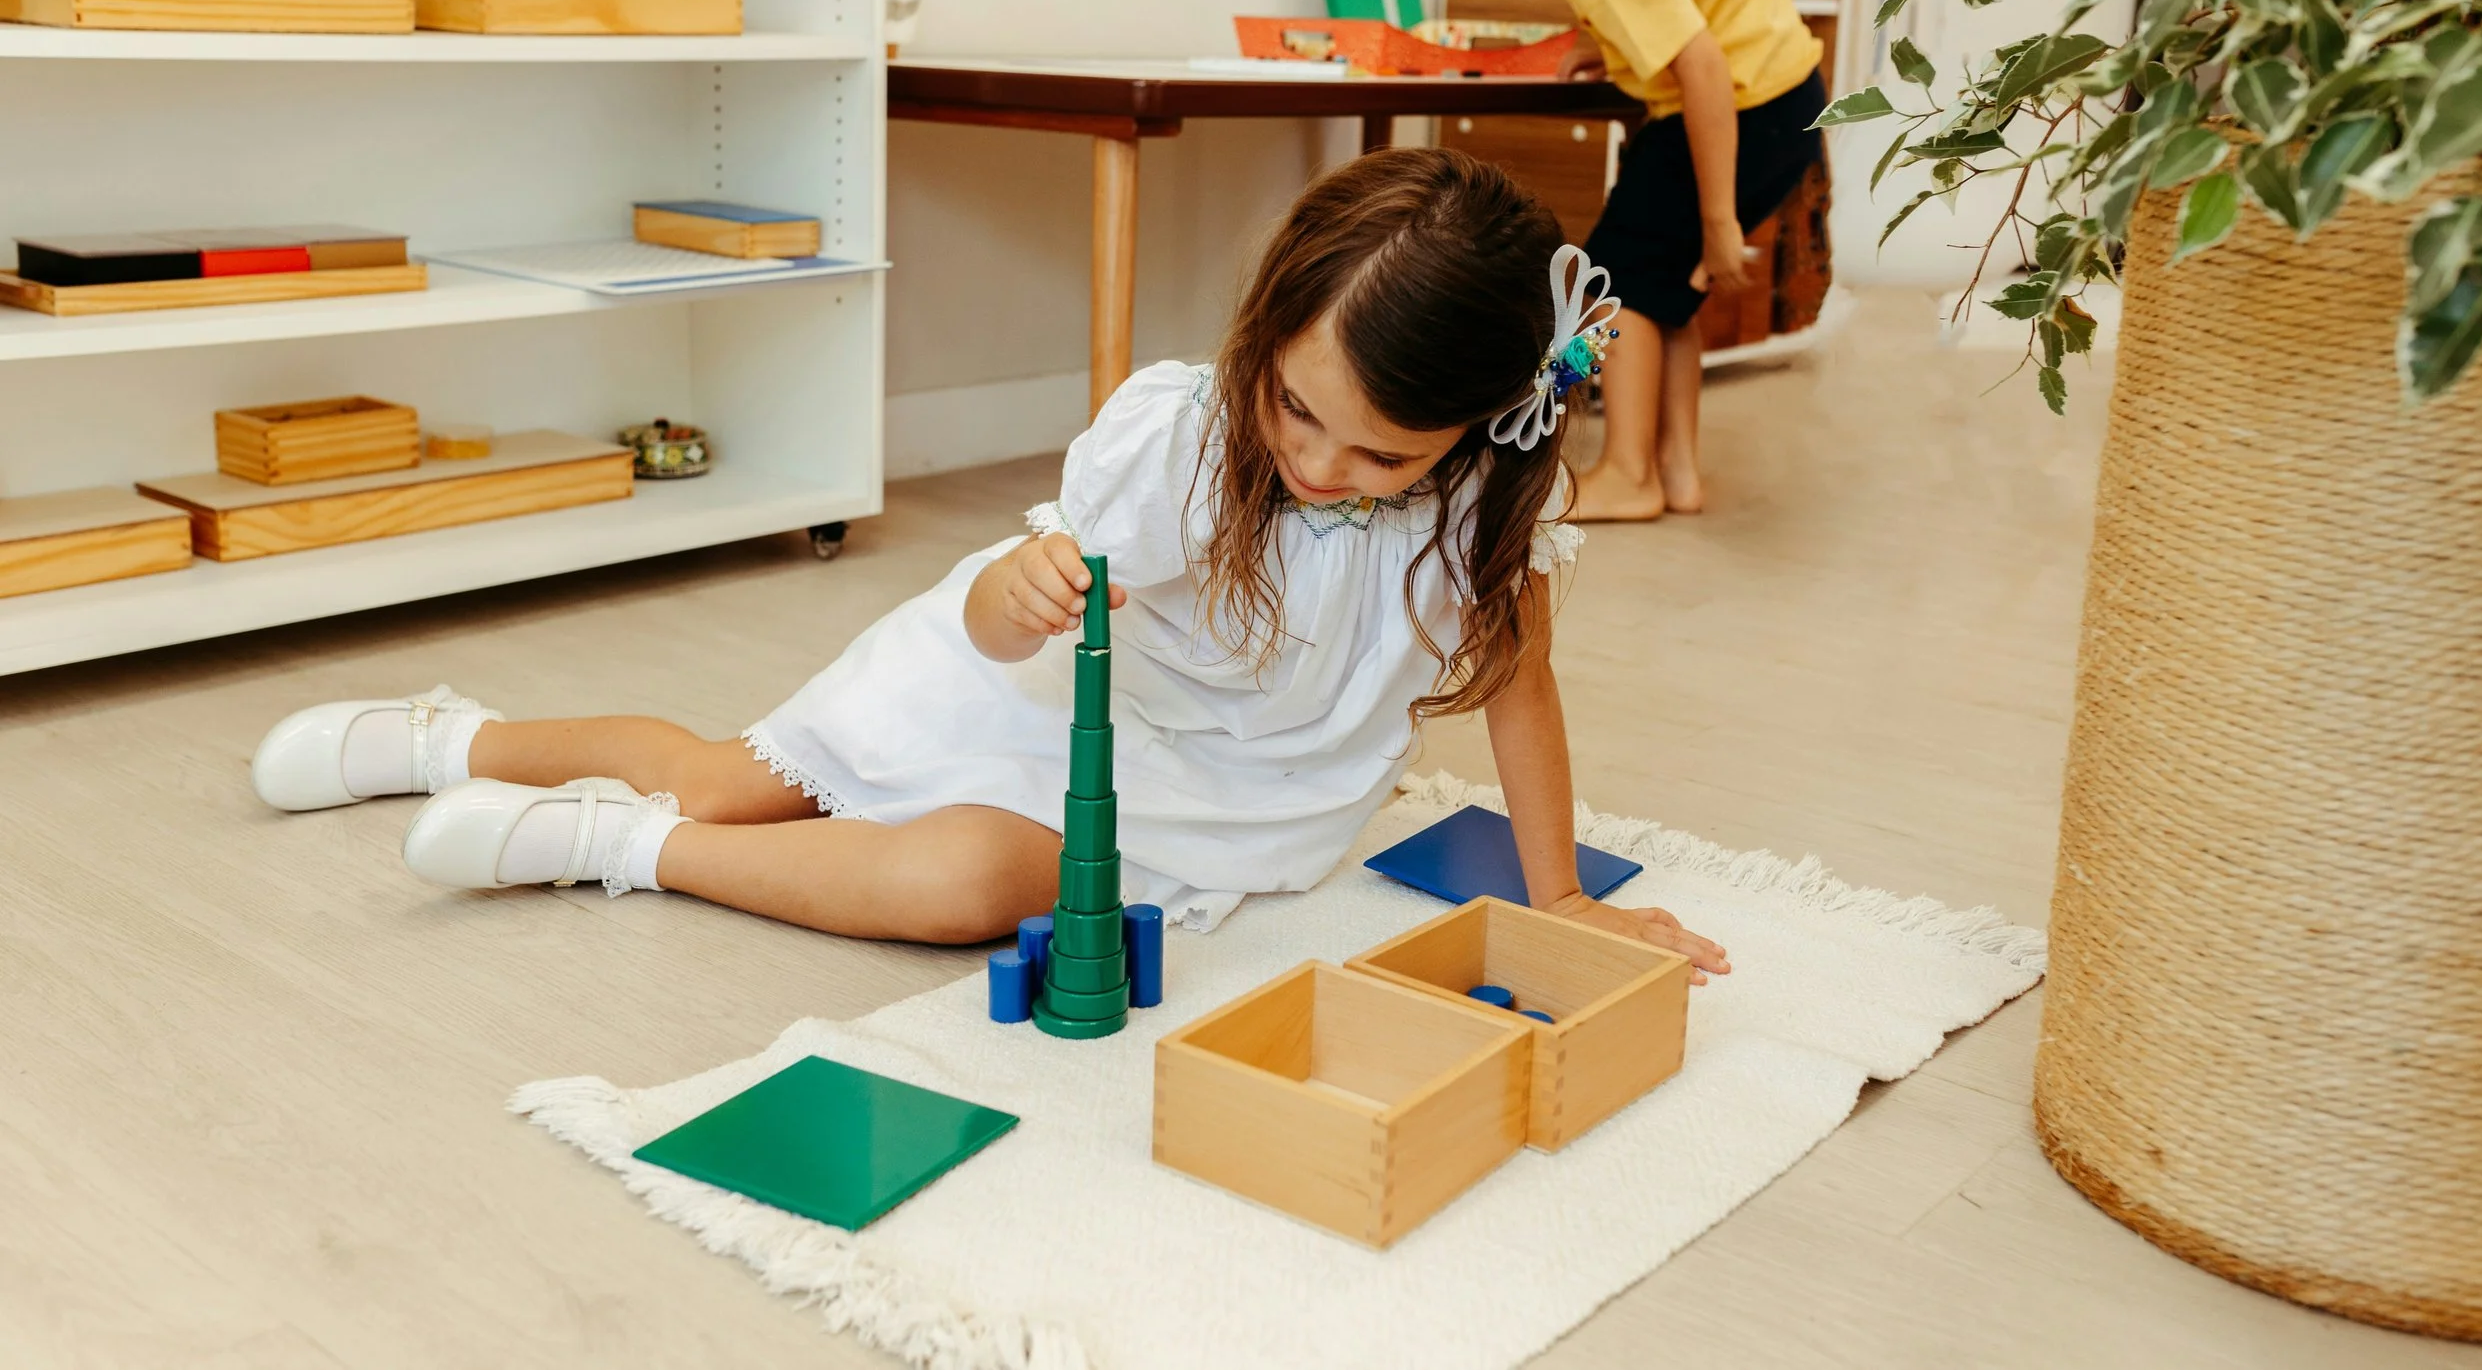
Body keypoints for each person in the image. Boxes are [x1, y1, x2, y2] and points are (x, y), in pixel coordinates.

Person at [247, 149, 1729, 981]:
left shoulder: (1487, 510)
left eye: (1381, 454)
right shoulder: (1185, 442)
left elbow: (1521, 686)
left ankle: (616, 843)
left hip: (1210, 795)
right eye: (1295, 408)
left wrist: (1563, 892)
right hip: (1032, 689)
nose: (1319, 466)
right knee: (728, 767)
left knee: (968, 878)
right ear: (1259, 344)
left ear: (1477, 428)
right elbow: (1000, 623)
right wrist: (1010, 591)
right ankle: (456, 733)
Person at [1380, 0, 1830, 518]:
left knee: (1611, 289)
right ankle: (1677, 473)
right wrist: (1610, 41)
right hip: (1779, 95)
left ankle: (1630, 473)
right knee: (1662, 294)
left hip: (1736, 106)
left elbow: (1704, 66)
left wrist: (1720, 218)